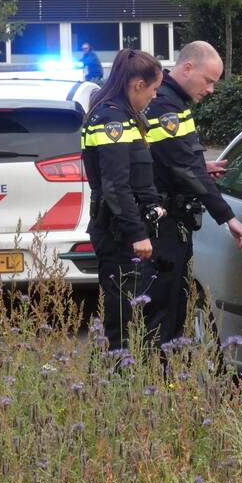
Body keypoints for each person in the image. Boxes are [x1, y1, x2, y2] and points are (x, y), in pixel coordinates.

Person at [141, 40, 242, 345]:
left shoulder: (174, 103)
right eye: (209, 81)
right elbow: (182, 169)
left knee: (174, 308)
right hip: (163, 224)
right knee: (164, 314)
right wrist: (228, 218)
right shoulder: (165, 106)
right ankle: (159, 379)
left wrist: (200, 165)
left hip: (171, 219)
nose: (211, 90)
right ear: (188, 67)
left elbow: (170, 159)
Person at [82, 48, 165, 353]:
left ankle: (118, 380)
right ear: (138, 84)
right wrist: (137, 234)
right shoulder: (112, 120)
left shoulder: (120, 114)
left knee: (128, 317)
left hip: (121, 232)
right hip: (118, 235)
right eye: (154, 89)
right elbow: (115, 186)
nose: (155, 97)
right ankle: (115, 382)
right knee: (122, 321)